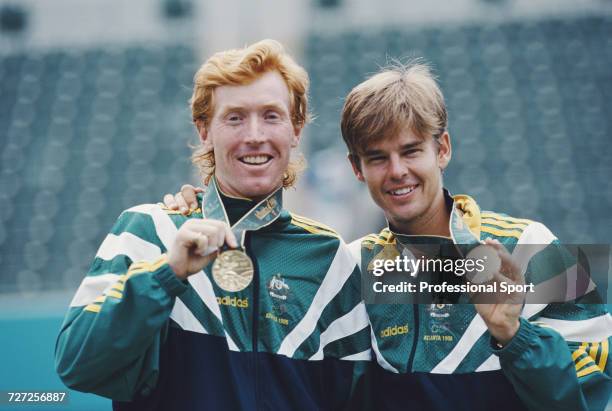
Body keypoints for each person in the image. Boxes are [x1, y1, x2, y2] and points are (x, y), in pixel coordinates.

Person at [169, 60, 612, 410]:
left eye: (411, 150)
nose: (397, 171)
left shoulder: (531, 244)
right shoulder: (353, 267)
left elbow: (596, 394)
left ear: (443, 149)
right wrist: (199, 205)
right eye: (377, 157)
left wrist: (514, 337)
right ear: (356, 170)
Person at [55, 39, 370, 411]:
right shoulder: (148, 232)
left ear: (295, 128)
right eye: (234, 117)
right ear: (204, 130)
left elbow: (357, 400)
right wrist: (167, 273)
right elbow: (76, 364)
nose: (255, 135)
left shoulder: (330, 258)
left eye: (271, 115)